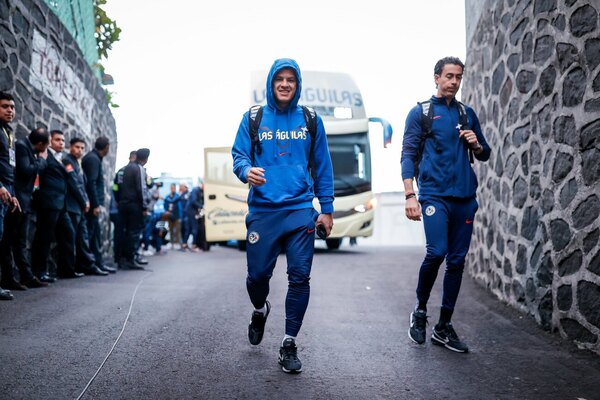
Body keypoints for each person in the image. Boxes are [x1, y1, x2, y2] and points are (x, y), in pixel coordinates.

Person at [232, 58, 334, 373]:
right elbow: (238, 156)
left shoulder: (311, 119)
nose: (286, 84)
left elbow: (323, 165)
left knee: (300, 277)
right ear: (272, 83)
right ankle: (260, 309)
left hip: (300, 210)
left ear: (297, 83)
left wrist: (326, 209)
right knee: (257, 278)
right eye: (280, 79)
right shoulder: (253, 118)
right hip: (263, 211)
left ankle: (289, 342)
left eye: (291, 79)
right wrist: (247, 171)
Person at [401, 57, 491, 353]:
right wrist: (410, 195)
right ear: (437, 78)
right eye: (449, 76)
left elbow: (484, 153)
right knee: (436, 252)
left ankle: (444, 326)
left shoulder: (467, 114)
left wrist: (475, 143)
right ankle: (420, 310)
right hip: (434, 196)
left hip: (464, 199)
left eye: (459, 77)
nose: (454, 82)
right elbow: (407, 155)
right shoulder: (421, 113)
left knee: (456, 261)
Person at [31, 130, 82, 280]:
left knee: (69, 234)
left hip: (61, 204)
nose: (61, 143)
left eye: (63, 140)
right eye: (57, 140)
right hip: (49, 202)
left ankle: (66, 270)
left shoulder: (63, 159)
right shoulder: (45, 155)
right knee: (44, 237)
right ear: (50, 141)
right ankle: (39, 272)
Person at [8, 128, 49, 289]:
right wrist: (42, 160)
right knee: (10, 241)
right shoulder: (22, 146)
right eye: (46, 145)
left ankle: (26, 276)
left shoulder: (29, 149)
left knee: (20, 241)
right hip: (17, 201)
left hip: (25, 201)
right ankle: (9, 278)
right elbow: (26, 170)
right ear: (40, 144)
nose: (47, 149)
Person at [63, 137, 110, 275]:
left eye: (82, 148)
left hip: (81, 206)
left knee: (85, 236)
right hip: (73, 206)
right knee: (78, 238)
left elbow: (82, 184)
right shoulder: (68, 161)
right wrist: (89, 202)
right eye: (77, 147)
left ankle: (90, 264)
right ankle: (80, 266)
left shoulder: (78, 162)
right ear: (70, 146)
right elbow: (76, 184)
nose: (80, 150)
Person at [0, 91, 21, 300]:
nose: (10, 110)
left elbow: (8, 166)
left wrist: (12, 192)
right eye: (5, 106)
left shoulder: (8, 132)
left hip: (6, 193)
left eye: (12, 107)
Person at [117, 148, 150, 269]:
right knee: (134, 232)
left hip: (124, 204)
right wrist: (145, 206)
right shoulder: (139, 169)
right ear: (146, 159)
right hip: (134, 205)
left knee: (125, 232)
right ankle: (130, 259)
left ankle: (123, 258)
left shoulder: (127, 168)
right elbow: (141, 189)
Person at [82, 136, 110, 271]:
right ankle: (90, 264)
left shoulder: (94, 158)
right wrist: (95, 205)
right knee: (91, 235)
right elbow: (91, 183)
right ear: (106, 148)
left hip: (93, 204)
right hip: (92, 206)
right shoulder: (93, 159)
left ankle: (97, 263)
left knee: (95, 236)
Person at [163, 183, 181, 249]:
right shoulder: (167, 196)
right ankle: (171, 242)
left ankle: (177, 243)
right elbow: (165, 205)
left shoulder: (177, 196)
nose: (173, 189)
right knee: (170, 230)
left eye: (174, 188)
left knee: (177, 230)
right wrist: (166, 211)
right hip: (169, 216)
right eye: (172, 188)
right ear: (170, 188)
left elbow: (180, 207)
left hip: (177, 216)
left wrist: (180, 217)